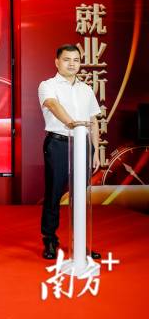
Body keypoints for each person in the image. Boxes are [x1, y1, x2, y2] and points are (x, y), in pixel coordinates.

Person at [38, 44, 101, 260]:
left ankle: (80, 242)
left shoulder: (86, 89)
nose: (72, 64)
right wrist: (73, 124)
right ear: (57, 62)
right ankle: (50, 240)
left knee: (80, 196)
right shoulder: (48, 85)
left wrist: (95, 150)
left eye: (76, 60)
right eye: (67, 59)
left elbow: (93, 120)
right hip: (58, 143)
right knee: (54, 194)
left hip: (83, 144)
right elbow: (52, 105)